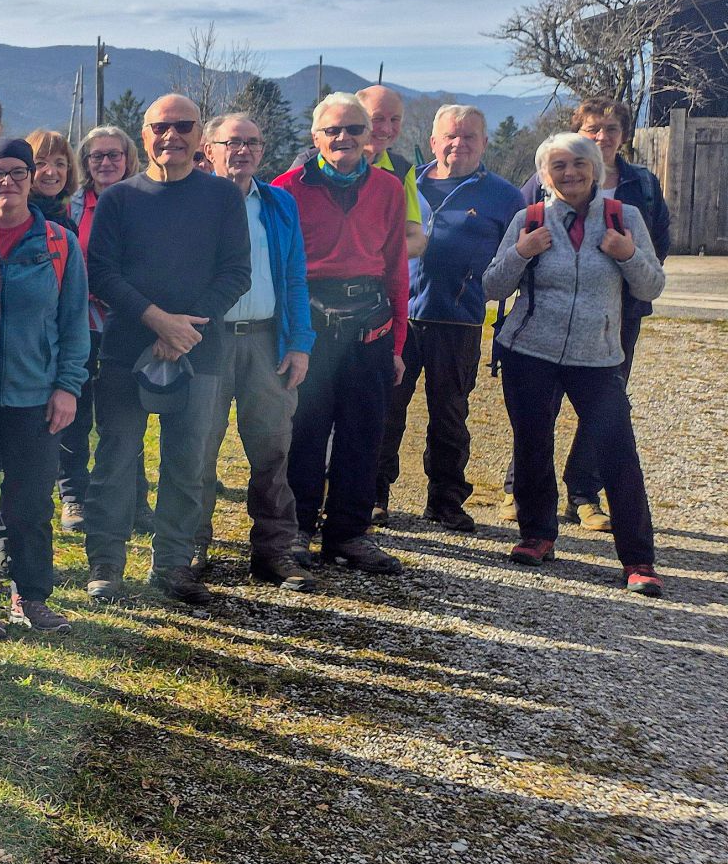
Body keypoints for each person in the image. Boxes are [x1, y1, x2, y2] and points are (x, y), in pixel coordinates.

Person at [83, 96, 250, 605]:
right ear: (145, 133)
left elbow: (236, 274)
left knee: (188, 462)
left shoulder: (223, 198)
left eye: (183, 126)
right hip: (125, 349)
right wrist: (158, 321)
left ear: (201, 136)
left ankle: (173, 564)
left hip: (200, 351)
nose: (171, 136)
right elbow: (102, 274)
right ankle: (106, 564)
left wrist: (185, 330)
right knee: (114, 458)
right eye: (161, 126)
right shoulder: (118, 199)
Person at [485, 132, 667, 593]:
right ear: (545, 174)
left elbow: (651, 287)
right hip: (530, 353)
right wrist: (521, 252)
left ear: (595, 169)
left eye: (579, 164)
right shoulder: (529, 218)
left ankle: (638, 560)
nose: (570, 174)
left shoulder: (623, 218)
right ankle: (537, 535)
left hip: (598, 357)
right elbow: (491, 286)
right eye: (559, 166)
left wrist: (627, 257)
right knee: (532, 446)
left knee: (618, 454)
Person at [0, 137, 88, 637]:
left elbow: (74, 323)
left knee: (30, 503)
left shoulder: (58, 242)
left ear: (33, 179)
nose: (8, 181)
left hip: (36, 396)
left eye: (18, 172)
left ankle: (30, 596)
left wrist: (68, 387)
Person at [274, 94, 409, 574]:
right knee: (305, 432)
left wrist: (396, 343)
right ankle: (298, 530)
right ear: (315, 138)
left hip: (369, 327)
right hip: (310, 325)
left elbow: (396, 267)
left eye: (353, 129)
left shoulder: (390, 189)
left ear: (368, 135)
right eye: (332, 131)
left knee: (363, 435)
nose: (343, 138)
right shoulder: (285, 188)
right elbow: (276, 270)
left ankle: (348, 534)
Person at [375, 105, 521, 533]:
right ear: (434, 141)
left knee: (450, 414)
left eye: (469, 136)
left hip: (458, 320)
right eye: (450, 137)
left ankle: (446, 499)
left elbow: (515, 258)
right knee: (386, 408)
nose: (458, 144)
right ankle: (373, 494)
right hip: (396, 315)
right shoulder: (404, 182)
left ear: (484, 143)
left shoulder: (505, 196)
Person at [193, 114, 317, 590]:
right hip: (209, 340)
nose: (242, 151)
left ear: (262, 152)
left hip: (267, 339)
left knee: (272, 448)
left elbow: (294, 277)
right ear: (209, 149)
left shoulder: (279, 203)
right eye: (232, 142)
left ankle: (275, 551)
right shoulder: (195, 203)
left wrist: (300, 344)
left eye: (252, 142)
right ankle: (190, 545)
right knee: (197, 446)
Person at [57, 125, 139, 533]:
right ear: (85, 163)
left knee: (125, 415)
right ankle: (73, 495)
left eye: (114, 155)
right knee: (75, 412)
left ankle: (133, 497)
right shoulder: (71, 207)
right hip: (81, 324)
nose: (106, 163)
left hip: (130, 324)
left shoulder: (144, 201)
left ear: (128, 159)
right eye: (96, 156)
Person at [358, 84, 427, 261]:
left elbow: (416, 239)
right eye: (377, 119)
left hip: (379, 284)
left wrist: (370, 258)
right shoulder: (312, 166)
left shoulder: (402, 170)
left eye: (394, 120)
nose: (387, 129)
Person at [26, 129, 76, 227]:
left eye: (60, 164)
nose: (51, 172)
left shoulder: (67, 223)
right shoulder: (20, 219)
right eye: (40, 163)